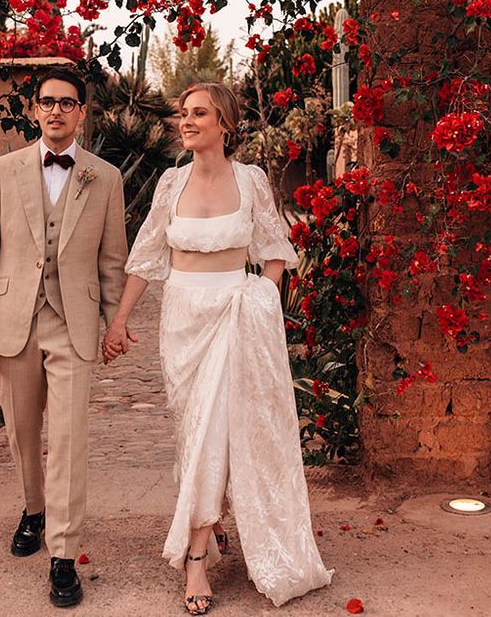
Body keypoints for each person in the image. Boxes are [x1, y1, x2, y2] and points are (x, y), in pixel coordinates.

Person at [103, 82, 333, 613]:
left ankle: (196, 559)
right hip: (182, 319)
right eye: (183, 114)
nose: (186, 121)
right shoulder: (170, 182)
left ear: (224, 125)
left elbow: (274, 250)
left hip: (234, 314)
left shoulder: (250, 181)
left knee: (215, 430)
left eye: (198, 113)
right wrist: (119, 322)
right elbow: (146, 257)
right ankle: (213, 515)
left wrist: (263, 304)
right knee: (196, 434)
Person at [0, 67, 129, 608]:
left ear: (82, 113)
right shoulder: (2, 171)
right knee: (21, 432)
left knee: (70, 439)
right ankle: (34, 509)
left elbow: (112, 261)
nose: (56, 110)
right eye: (47, 101)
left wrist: (114, 322)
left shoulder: (105, 177)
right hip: (13, 319)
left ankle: (62, 553)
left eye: (67, 103)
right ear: (35, 110)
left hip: (73, 323)